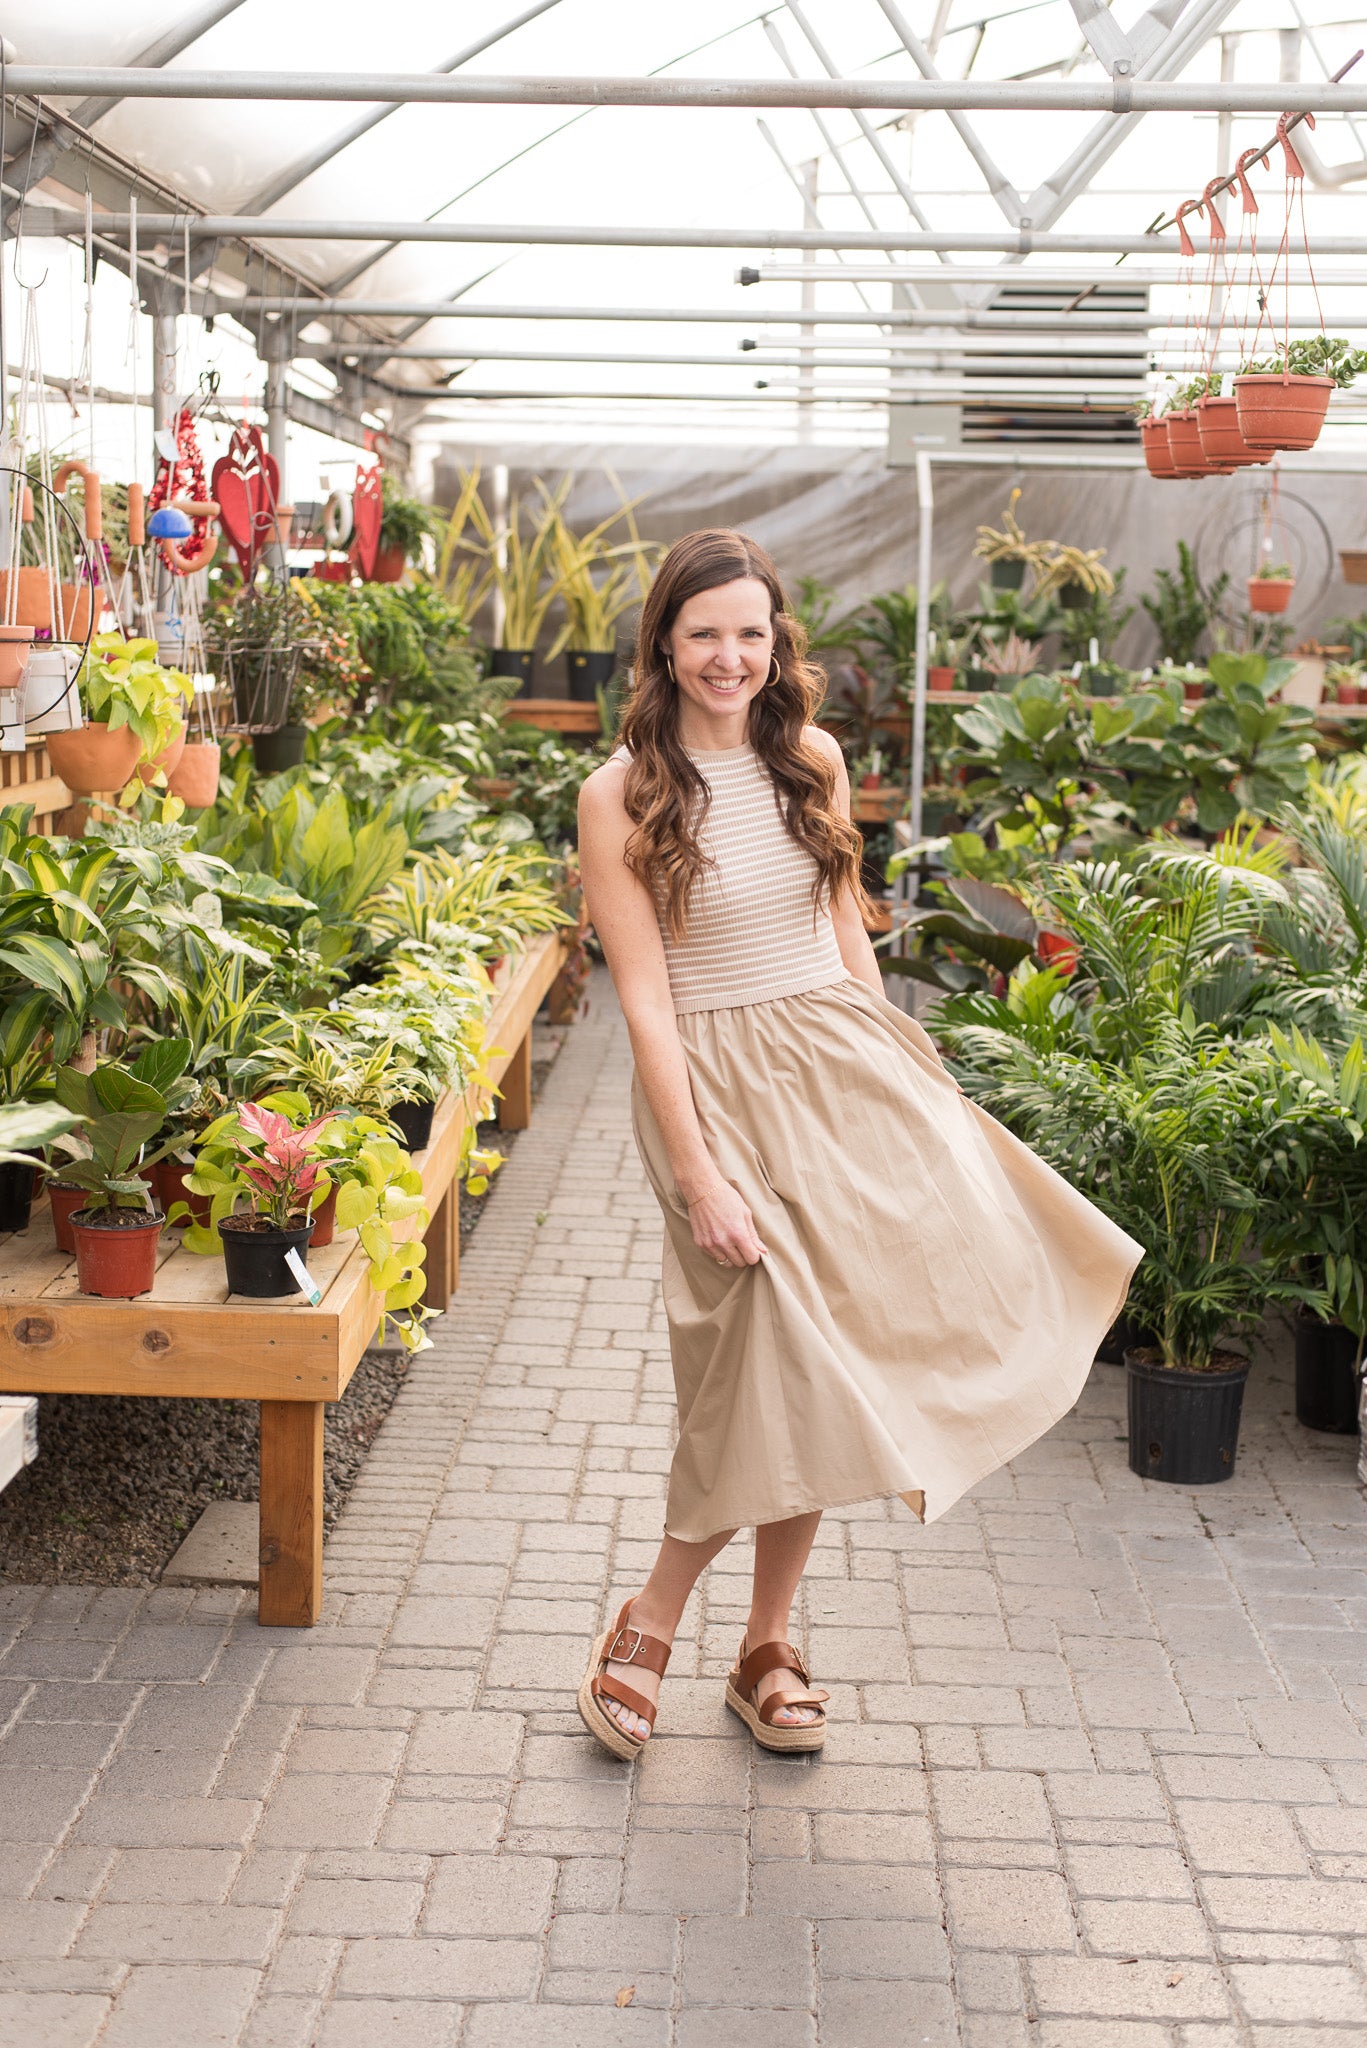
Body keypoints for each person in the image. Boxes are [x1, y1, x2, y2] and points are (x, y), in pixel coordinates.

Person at [574, 529, 1141, 1761]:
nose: (729, 656)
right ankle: (652, 1616)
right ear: (663, 643)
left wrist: (908, 1068)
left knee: (832, 1365)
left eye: (750, 632)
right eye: (704, 632)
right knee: (762, 1358)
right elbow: (646, 1004)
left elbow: (843, 933)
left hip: (836, 1065)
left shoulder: (809, 759)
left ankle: (764, 1642)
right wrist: (699, 1170)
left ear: (776, 644)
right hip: (715, 1084)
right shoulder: (619, 791)